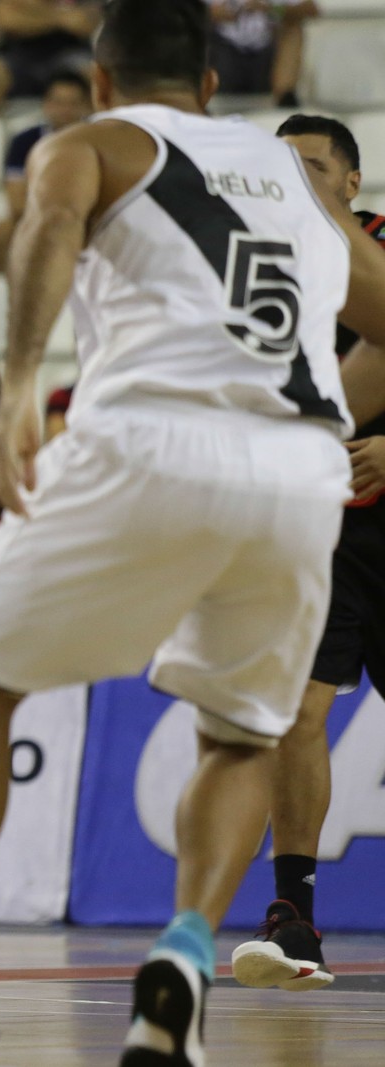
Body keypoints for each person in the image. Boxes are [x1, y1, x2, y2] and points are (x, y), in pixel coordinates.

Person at [0, 1, 385, 1062]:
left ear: (101, 83)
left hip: (148, 437)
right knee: (242, 732)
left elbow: (48, 226)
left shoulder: (93, 143)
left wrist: (19, 381)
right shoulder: (293, 175)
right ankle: (184, 957)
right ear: (210, 85)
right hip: (300, 471)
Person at [228, 114, 385, 992]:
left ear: (353, 185)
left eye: (313, 169)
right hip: (313, 526)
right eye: (279, 170)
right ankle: (294, 918)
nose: (294, 183)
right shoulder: (260, 276)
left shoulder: (384, 254)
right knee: (299, 712)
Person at [0, 72, 91, 271]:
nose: (65, 110)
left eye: (73, 103)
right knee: (3, 232)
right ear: (46, 104)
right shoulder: (25, 142)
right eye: (59, 102)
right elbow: (16, 199)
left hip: (85, 219)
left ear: (87, 106)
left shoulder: (97, 139)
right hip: (38, 216)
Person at [0, 0, 98, 114]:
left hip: (69, 53)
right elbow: (6, 20)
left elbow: (84, 24)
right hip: (20, 56)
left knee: (95, 75)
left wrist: (32, 12)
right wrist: (61, 17)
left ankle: (94, 129)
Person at [209, 0, 315, 107]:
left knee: (293, 29)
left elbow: (311, 9)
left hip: (268, 51)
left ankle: (285, 97)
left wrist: (271, 9)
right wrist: (217, 13)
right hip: (222, 48)